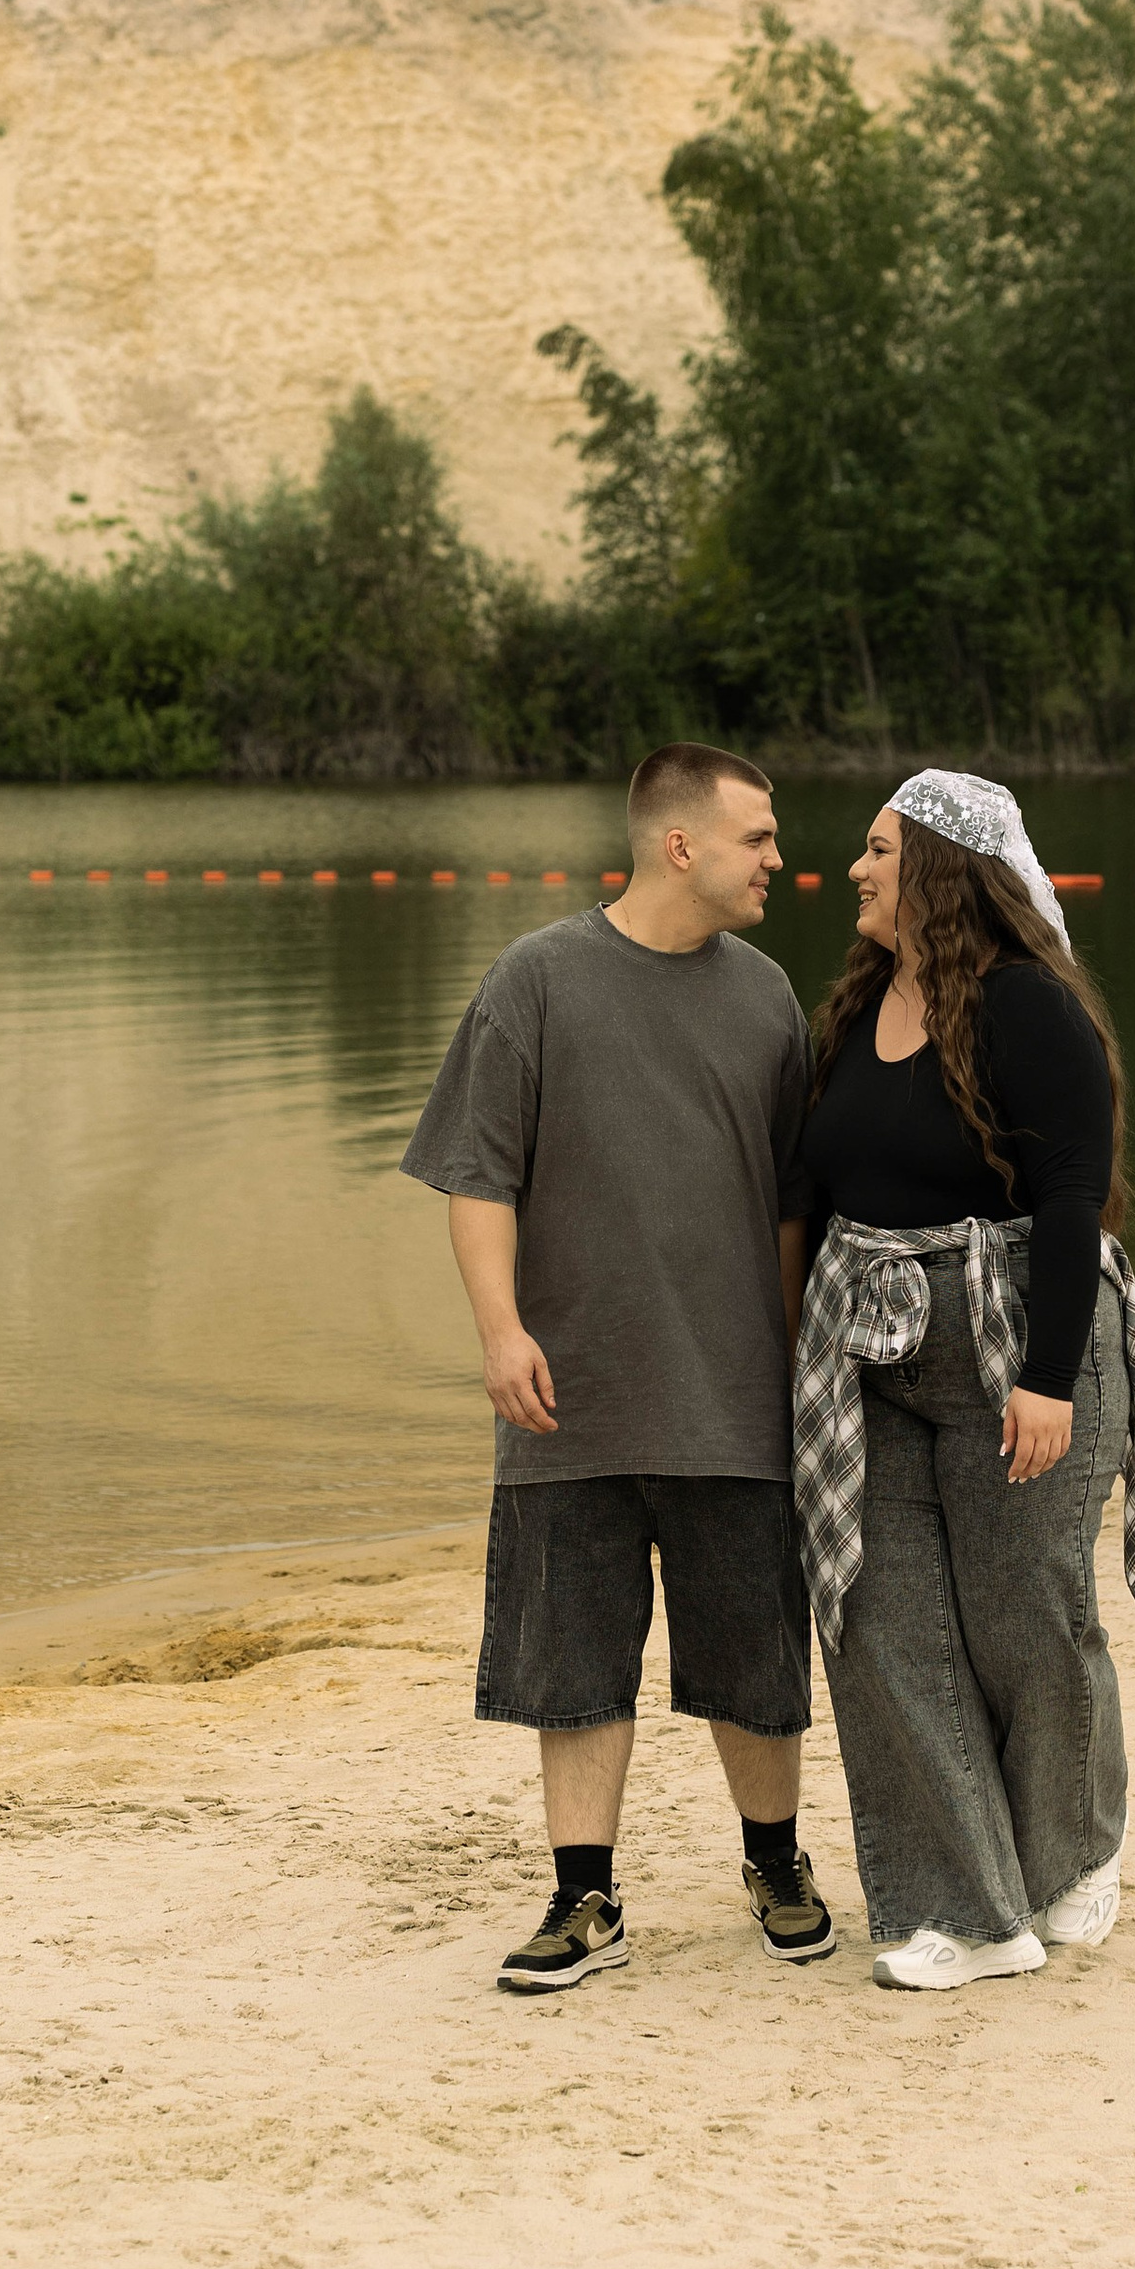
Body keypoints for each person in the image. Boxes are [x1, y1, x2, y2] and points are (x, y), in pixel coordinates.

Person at [402, 745, 834, 1994]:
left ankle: (777, 1862)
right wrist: (499, 1329)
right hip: (568, 1394)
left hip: (735, 1394)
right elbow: (477, 1173)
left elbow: (790, 1210)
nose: (778, 859)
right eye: (757, 837)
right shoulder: (534, 981)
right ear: (680, 845)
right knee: (572, 1663)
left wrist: (800, 1350)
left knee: (755, 1658)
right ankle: (583, 1900)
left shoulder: (765, 999)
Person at [788, 771, 1135, 1992]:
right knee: (883, 1627)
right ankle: (964, 1914)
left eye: (877, 850)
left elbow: (1070, 1202)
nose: (855, 870)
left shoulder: (1029, 1010)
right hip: (872, 1356)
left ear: (944, 872)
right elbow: (813, 1190)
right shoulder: (857, 1009)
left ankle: (1066, 1860)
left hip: (1016, 1337)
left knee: (1026, 1620)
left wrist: (1051, 1380)